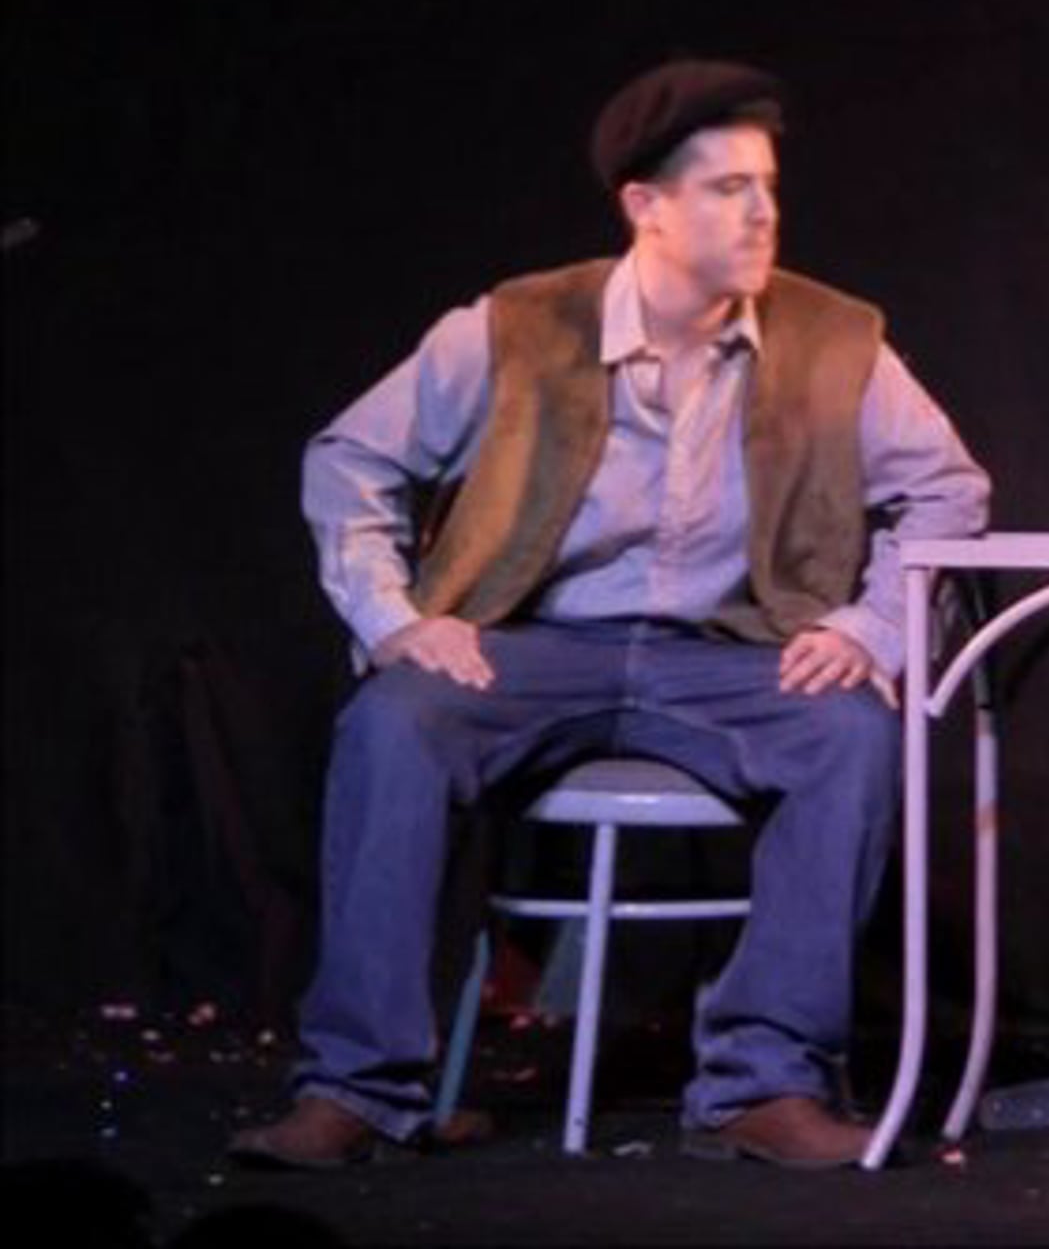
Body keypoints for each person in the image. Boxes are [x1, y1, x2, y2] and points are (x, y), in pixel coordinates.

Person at [230, 59, 991, 1171]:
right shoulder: (515, 326)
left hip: (731, 652)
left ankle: (761, 1084)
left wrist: (867, 629)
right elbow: (351, 458)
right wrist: (395, 621)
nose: (763, 212)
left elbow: (949, 491)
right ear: (647, 205)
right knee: (395, 724)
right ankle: (360, 1089)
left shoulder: (835, 340)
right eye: (727, 187)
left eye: (768, 186)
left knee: (851, 734)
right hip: (533, 649)